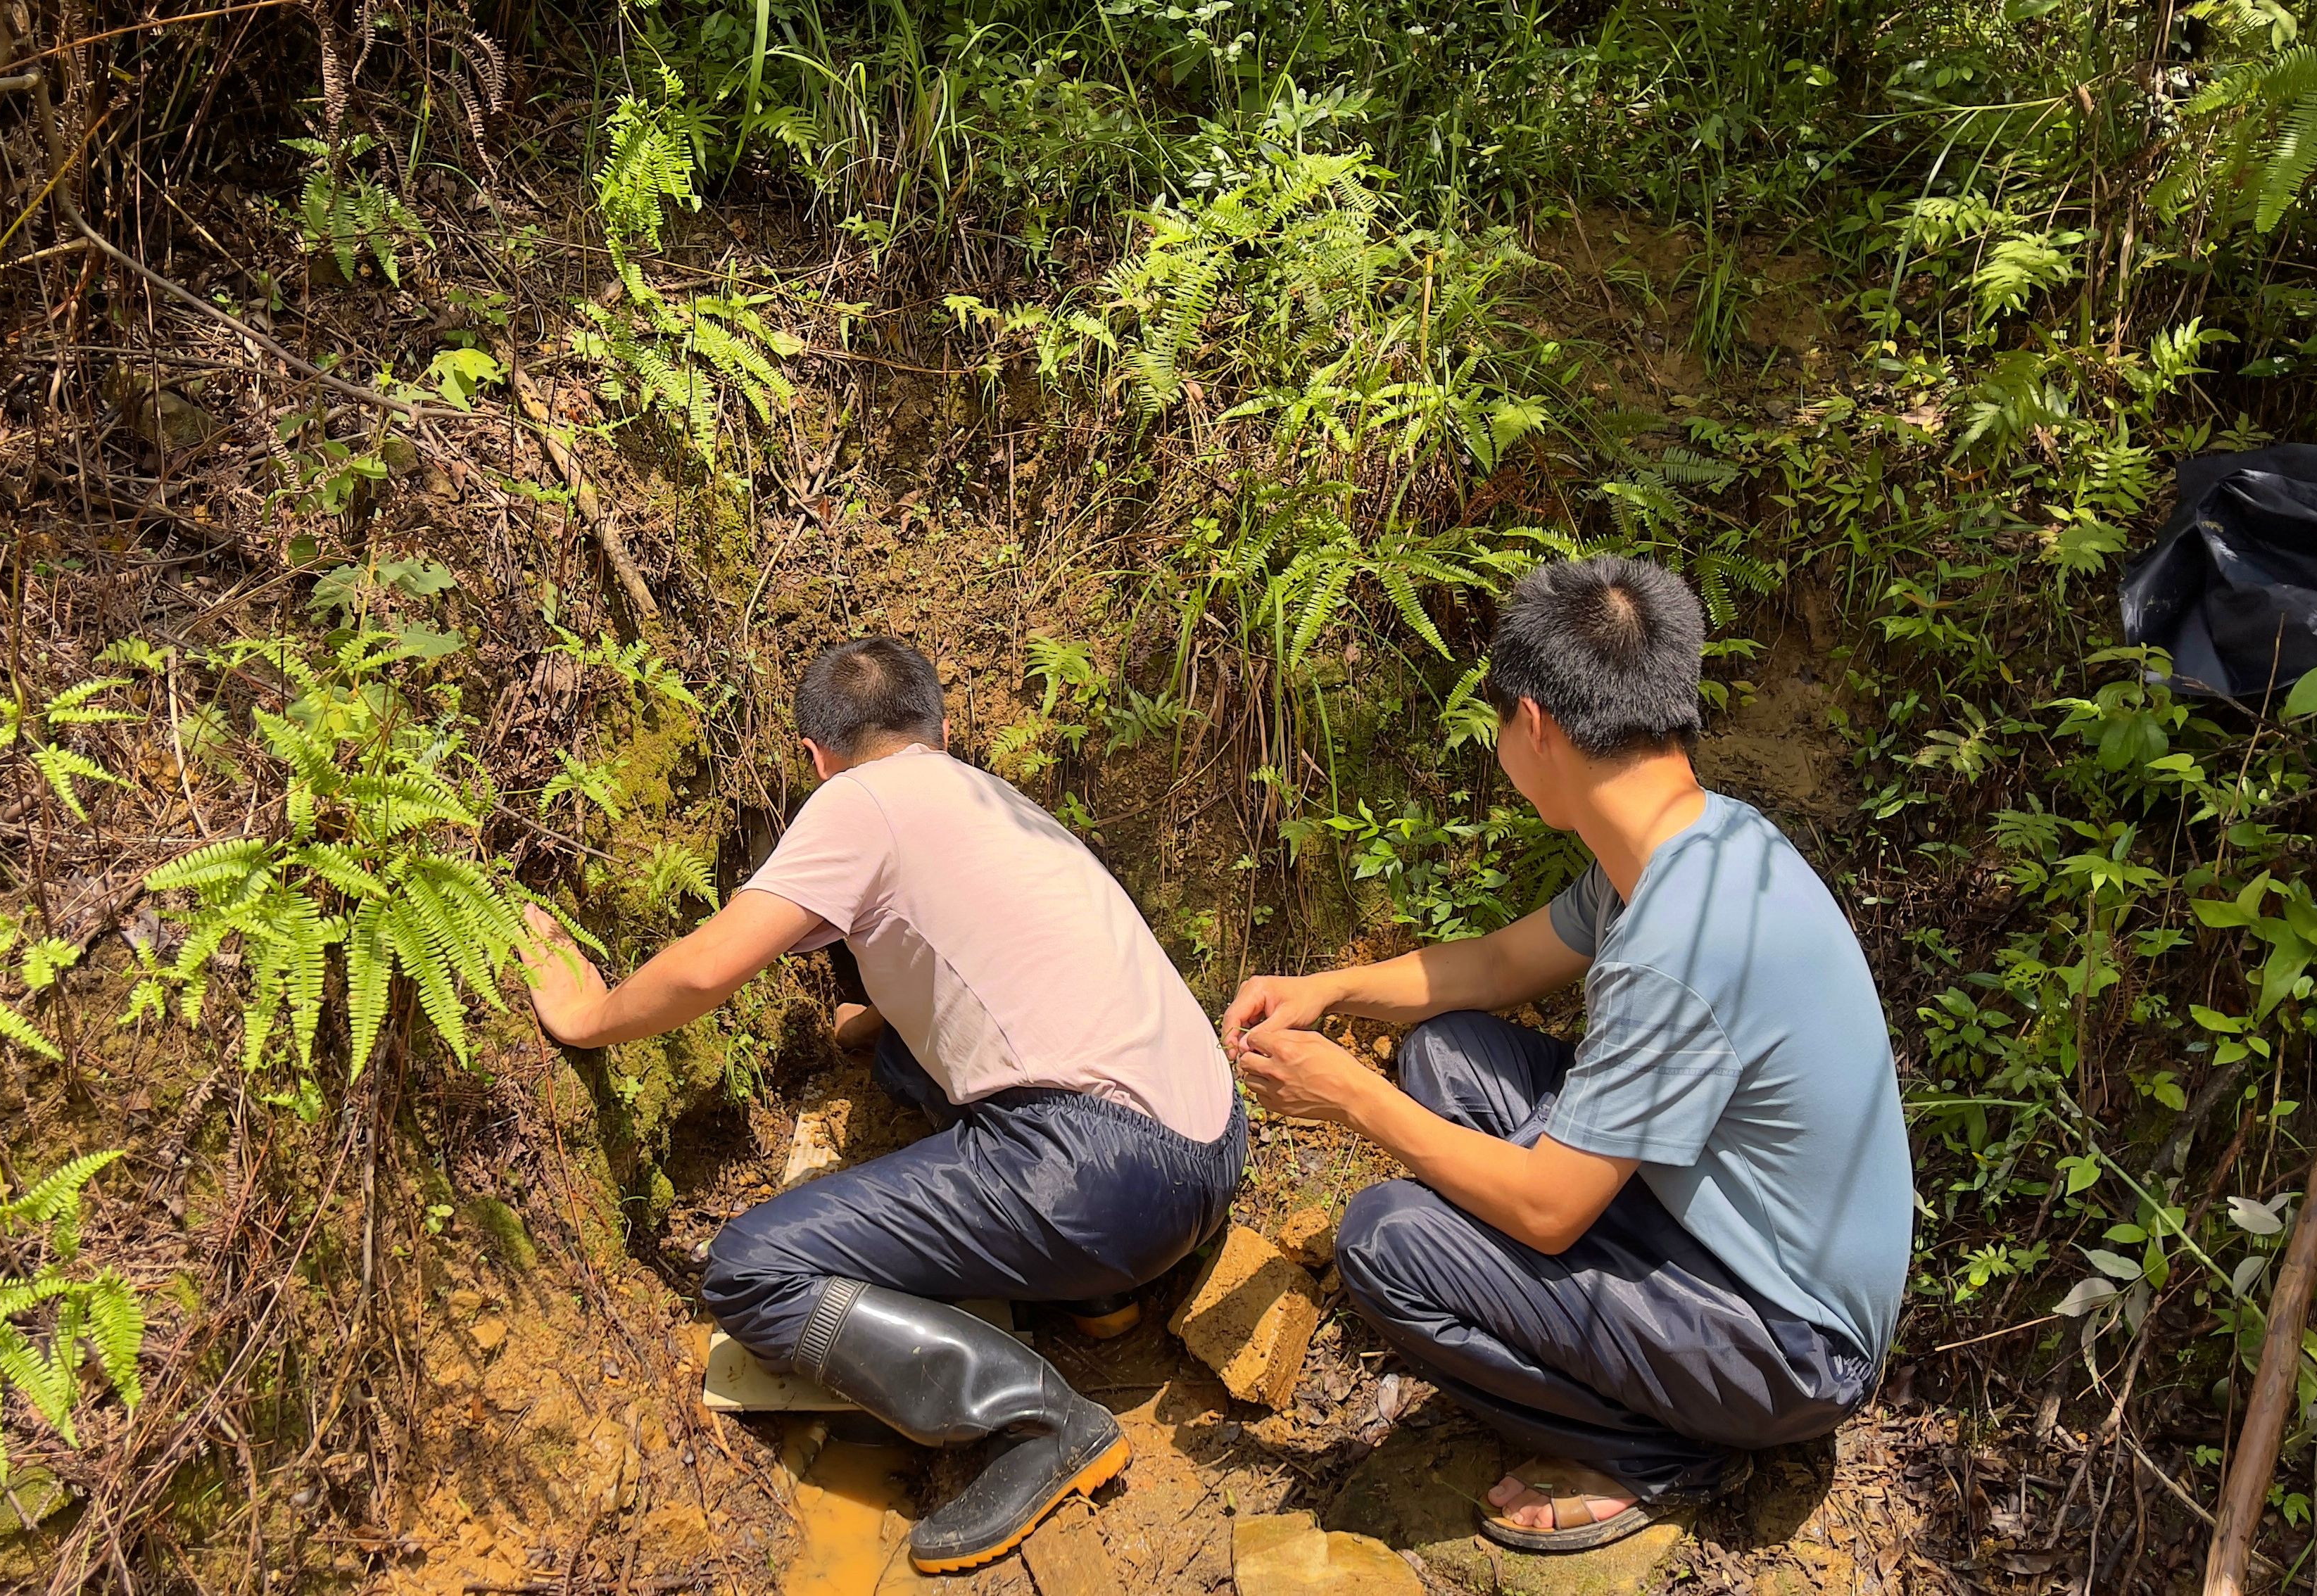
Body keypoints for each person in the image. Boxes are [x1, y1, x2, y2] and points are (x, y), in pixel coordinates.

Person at [1224, 555, 1910, 1554]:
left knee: (1384, 1242)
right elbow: (1501, 962)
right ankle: (1588, 1347)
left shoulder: (1683, 945)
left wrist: (1349, 1095)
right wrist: (1331, 990)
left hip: (1792, 1346)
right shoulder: (1702, 845)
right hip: (1717, 1230)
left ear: (1534, 724)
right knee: (1448, 1055)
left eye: (1498, 724)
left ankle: (1660, 1453)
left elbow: (1549, 1214)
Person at [521, 636, 1244, 1574]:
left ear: (816, 760)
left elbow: (706, 967)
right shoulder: (991, 795)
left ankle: (1034, 1423)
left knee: (750, 1271)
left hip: (1099, 1175)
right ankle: (1101, 1292)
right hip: (1211, 1142)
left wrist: (585, 1014)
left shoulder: (853, 805)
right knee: (905, 1060)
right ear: (943, 728)